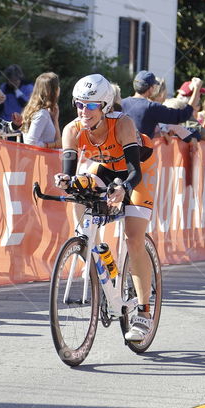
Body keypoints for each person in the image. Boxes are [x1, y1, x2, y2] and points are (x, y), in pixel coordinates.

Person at [54, 74, 156, 343]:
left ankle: (144, 312)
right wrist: (65, 179)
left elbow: (134, 171)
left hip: (137, 174)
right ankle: (95, 252)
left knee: (133, 239)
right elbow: (69, 170)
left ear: (105, 106)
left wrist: (123, 189)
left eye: (90, 105)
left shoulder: (122, 124)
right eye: (79, 104)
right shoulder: (72, 129)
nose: (83, 111)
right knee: (79, 188)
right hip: (107, 171)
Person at [121, 71, 200, 138]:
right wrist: (196, 88)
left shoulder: (122, 103)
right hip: (143, 154)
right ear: (151, 88)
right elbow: (182, 115)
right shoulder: (152, 107)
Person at [21, 72, 62, 148]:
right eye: (57, 86)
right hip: (40, 158)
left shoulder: (43, 111)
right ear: (53, 91)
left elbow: (59, 142)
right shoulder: (41, 114)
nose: (59, 88)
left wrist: (55, 120)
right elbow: (30, 143)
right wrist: (53, 145)